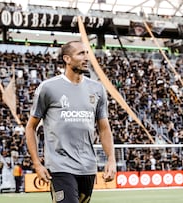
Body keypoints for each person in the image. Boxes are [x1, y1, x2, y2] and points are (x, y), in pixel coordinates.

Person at [25, 40, 116, 203]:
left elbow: (104, 128)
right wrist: (37, 164)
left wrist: (111, 159)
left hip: (88, 167)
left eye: (87, 53)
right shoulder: (48, 88)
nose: (86, 57)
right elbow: (31, 127)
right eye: (81, 53)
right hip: (60, 166)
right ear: (67, 59)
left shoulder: (97, 89)